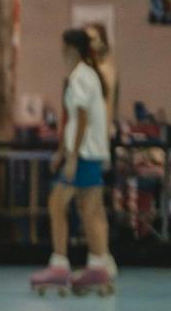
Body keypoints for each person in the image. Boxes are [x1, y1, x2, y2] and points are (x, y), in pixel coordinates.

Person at [31, 29, 115, 296]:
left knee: (57, 203)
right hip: (93, 152)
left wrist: (71, 156)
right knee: (92, 209)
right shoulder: (91, 76)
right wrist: (61, 151)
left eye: (63, 47)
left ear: (72, 49)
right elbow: (78, 121)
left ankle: (59, 264)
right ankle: (98, 265)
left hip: (83, 153)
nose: (61, 52)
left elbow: (80, 119)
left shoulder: (79, 76)